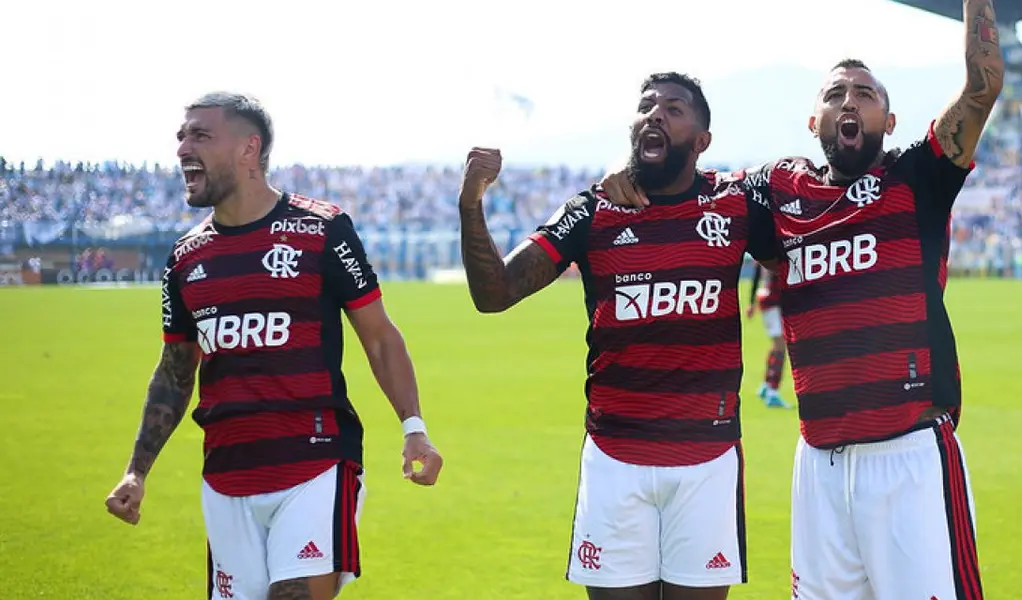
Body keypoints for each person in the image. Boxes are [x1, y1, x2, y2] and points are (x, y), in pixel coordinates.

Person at [601, 3, 1005, 597]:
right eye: (836, 92)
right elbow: (686, 188)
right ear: (812, 117)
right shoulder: (776, 193)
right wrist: (631, 167)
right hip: (818, 461)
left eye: (865, 94)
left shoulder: (918, 179)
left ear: (889, 121)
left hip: (910, 455)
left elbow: (982, 86)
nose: (849, 101)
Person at [103, 92, 444, 600]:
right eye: (181, 136)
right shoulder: (185, 257)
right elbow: (176, 371)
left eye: (200, 135)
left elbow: (379, 336)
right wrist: (137, 471)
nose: (182, 148)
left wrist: (413, 426)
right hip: (225, 475)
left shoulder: (322, 229)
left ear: (248, 149)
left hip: (314, 462)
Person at [457, 72, 776, 600]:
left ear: (702, 141)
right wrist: (472, 204)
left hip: (707, 460)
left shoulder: (736, 202)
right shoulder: (592, 210)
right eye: (647, 105)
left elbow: (801, 249)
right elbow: (495, 293)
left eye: (674, 109)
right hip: (614, 460)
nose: (655, 113)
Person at [745, 265, 789, 408]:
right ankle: (772, 391)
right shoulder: (779, 247)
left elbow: (756, 273)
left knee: (776, 344)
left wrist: (751, 302)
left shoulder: (764, 249)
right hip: (774, 299)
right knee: (780, 346)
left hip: (765, 297)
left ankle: (765, 385)